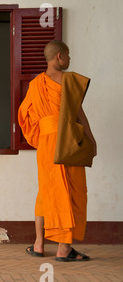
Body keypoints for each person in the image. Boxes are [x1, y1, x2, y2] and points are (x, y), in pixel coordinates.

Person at [18, 41, 97, 261]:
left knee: (47, 191)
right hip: (67, 141)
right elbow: (79, 114)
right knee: (69, 191)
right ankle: (63, 249)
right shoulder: (69, 81)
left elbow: (24, 116)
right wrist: (91, 139)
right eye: (69, 55)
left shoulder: (35, 85)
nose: (70, 60)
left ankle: (39, 244)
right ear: (60, 56)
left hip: (46, 143)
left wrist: (42, 132)